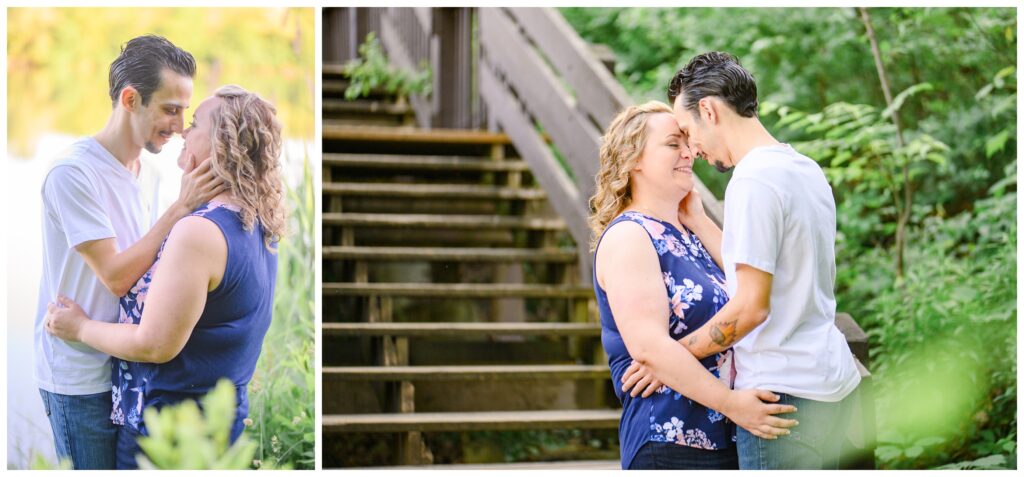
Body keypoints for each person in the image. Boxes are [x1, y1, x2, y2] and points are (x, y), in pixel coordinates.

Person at [624, 51, 862, 469]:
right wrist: (698, 219)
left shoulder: (752, 180)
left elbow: (751, 307)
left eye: (686, 131)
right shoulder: (804, 169)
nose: (691, 149)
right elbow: (757, 266)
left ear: (710, 111)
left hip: (782, 404)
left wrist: (671, 361)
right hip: (835, 389)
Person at [45, 85, 286, 469]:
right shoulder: (257, 220)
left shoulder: (199, 233)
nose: (183, 133)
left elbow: (154, 345)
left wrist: (79, 327)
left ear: (222, 145)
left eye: (194, 124)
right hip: (217, 426)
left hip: (170, 436)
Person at [33, 34, 223, 470]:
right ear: (131, 99)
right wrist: (181, 208)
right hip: (78, 378)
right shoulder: (72, 174)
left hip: (126, 370)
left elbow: (150, 266)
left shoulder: (149, 172)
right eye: (170, 110)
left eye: (184, 112)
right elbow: (117, 276)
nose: (179, 127)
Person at [591, 101, 798, 470]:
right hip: (671, 442)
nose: (689, 152)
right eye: (673, 144)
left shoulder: (689, 234)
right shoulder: (629, 236)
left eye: (687, 142)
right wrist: (734, 405)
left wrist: (699, 221)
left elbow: (756, 285)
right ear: (632, 158)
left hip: (727, 439)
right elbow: (650, 348)